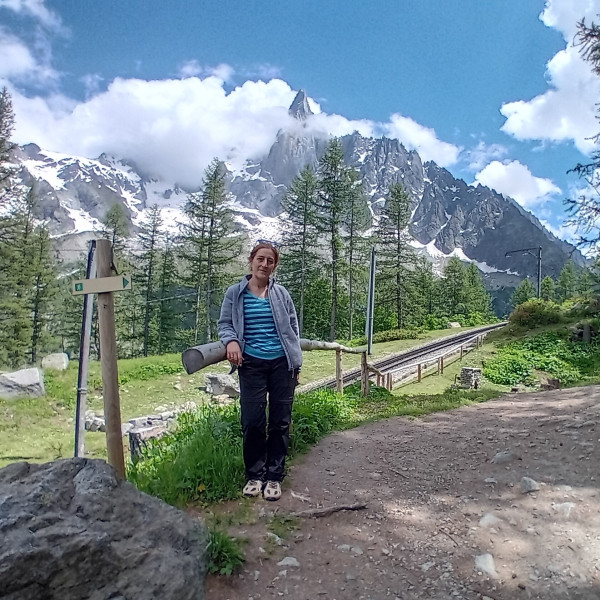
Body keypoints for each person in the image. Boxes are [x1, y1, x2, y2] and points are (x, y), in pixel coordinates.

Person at [218, 240, 302, 501]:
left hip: (282, 364)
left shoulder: (281, 294)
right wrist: (231, 341)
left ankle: (274, 477)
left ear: (274, 266)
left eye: (270, 261)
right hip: (251, 363)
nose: (265, 264)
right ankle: (255, 475)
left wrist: (296, 363)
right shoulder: (235, 293)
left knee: (280, 421)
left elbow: (293, 329)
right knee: (252, 421)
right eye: (260, 259)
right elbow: (224, 324)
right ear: (251, 261)